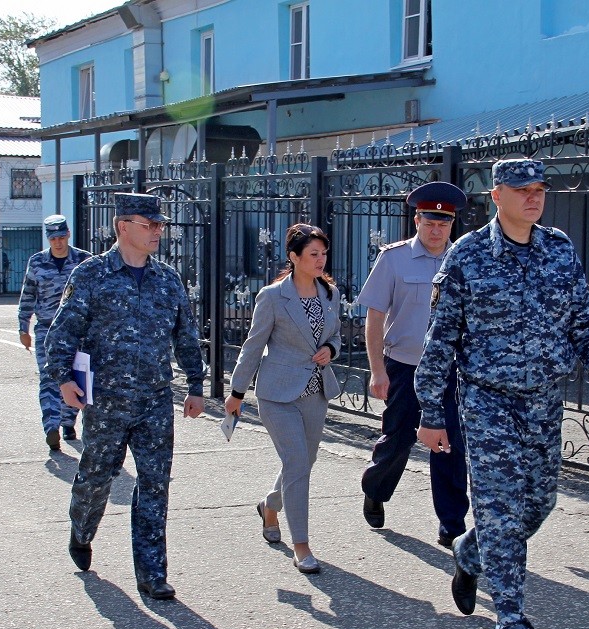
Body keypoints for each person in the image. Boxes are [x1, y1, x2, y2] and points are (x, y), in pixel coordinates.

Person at [414, 158, 589, 629]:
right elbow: (440, 342)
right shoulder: (466, 258)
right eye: (521, 189)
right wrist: (431, 411)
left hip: (544, 401)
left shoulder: (559, 251)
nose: (533, 197)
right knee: (502, 512)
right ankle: (511, 624)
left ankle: (470, 551)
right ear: (496, 195)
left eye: (539, 189)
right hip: (488, 402)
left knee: (539, 503)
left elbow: (587, 321)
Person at [45, 193, 205, 600]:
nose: (158, 232)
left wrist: (196, 385)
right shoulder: (91, 275)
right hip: (106, 401)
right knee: (97, 478)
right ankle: (81, 528)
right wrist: (64, 379)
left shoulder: (167, 280)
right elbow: (62, 332)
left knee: (154, 485)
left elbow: (185, 336)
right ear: (122, 227)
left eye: (160, 225)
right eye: (149, 225)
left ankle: (152, 574)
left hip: (154, 400)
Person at [224, 223, 342, 575]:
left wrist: (330, 349)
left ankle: (269, 505)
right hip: (277, 395)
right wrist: (236, 393)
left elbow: (334, 333)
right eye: (313, 254)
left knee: (303, 464)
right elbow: (253, 345)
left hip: (315, 392)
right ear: (294, 257)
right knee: (296, 464)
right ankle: (302, 545)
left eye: (323, 254)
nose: (321, 260)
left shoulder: (329, 293)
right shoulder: (272, 297)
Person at [357, 181, 470, 548]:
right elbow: (375, 317)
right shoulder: (394, 258)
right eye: (430, 222)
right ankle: (375, 488)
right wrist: (377, 369)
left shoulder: (464, 260)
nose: (437, 230)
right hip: (405, 365)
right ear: (417, 220)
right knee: (399, 439)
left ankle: (451, 523)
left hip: (451, 371)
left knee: (449, 444)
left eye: (445, 223)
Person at [18, 215, 93, 452]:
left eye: (61, 237)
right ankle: (51, 426)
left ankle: (68, 422)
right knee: (49, 378)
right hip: (47, 331)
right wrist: (23, 326)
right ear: (47, 238)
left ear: (68, 234)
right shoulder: (37, 262)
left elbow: (97, 296)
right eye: (53, 238)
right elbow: (28, 295)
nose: (58, 242)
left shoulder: (84, 260)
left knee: (75, 378)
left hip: (78, 332)